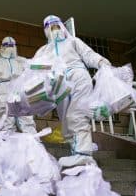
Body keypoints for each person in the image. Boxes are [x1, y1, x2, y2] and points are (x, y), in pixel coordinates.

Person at [34, 15, 111, 166]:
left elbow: (88, 55)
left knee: (77, 115)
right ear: (46, 31)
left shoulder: (73, 41)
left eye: (57, 26)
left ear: (62, 27)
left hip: (78, 78)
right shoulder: (44, 50)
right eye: (51, 28)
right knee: (66, 120)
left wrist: (100, 61)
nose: (55, 30)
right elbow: (35, 68)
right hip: (60, 84)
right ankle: (76, 150)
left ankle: (83, 153)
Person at [0, 37, 37, 133]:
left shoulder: (21, 61)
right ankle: (6, 145)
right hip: (3, 94)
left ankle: (33, 144)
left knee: (27, 120)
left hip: (20, 92)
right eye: (6, 45)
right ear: (2, 47)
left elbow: (35, 67)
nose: (9, 47)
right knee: (6, 123)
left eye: (11, 45)